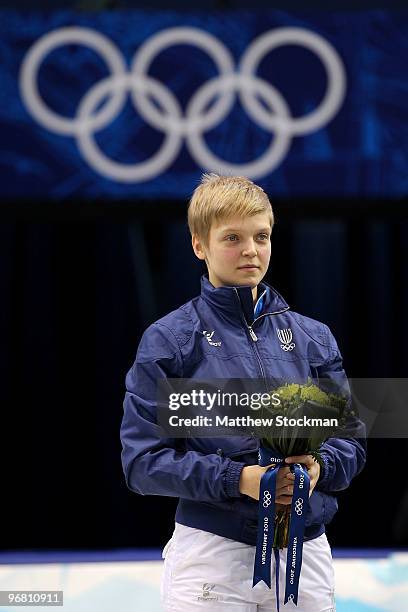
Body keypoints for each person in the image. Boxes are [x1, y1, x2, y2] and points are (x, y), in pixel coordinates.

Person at [120, 174, 366, 611]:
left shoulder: (313, 338)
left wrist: (317, 470)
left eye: (262, 236)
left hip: (306, 554)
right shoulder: (170, 340)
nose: (250, 250)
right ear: (200, 245)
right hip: (213, 556)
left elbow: (350, 443)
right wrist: (240, 480)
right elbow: (142, 462)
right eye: (232, 237)